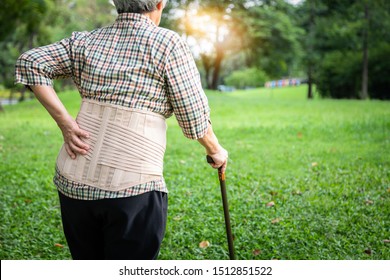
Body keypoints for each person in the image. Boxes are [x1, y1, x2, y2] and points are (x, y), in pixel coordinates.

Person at [14, 0, 228, 260]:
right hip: (133, 188)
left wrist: (65, 123)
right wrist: (216, 151)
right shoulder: (168, 44)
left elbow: (30, 62)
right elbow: (193, 118)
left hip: (73, 184)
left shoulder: (86, 41)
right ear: (159, 4)